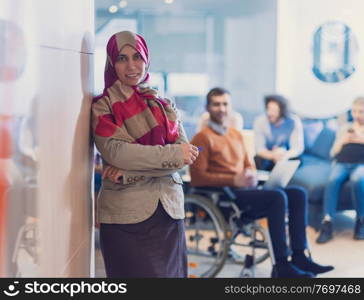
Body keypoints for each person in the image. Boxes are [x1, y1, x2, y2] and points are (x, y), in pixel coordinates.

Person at [190, 87, 333, 278]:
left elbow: (249, 164)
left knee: (298, 193)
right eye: (216, 104)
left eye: (225, 104)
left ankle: (299, 257)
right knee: (277, 197)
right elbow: (197, 177)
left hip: (247, 189)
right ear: (208, 107)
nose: (222, 108)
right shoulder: (202, 138)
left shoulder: (235, 135)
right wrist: (233, 179)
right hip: (226, 197)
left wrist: (251, 174)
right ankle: (281, 266)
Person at [91, 31, 199, 278]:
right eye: (121, 58)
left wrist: (129, 172)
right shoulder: (102, 105)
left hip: (169, 211)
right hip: (126, 215)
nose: (131, 66)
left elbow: (184, 155)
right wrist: (170, 155)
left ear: (147, 59)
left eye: (137, 56)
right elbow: (118, 153)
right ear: (111, 63)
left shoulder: (163, 104)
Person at [316, 97, 364, 243]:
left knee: (358, 180)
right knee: (332, 181)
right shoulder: (345, 128)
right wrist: (343, 140)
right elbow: (333, 152)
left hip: (361, 164)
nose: (357, 115)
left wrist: (359, 138)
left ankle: (360, 221)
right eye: (354, 111)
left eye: (361, 112)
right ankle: (327, 222)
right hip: (341, 163)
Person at [253, 95, 304, 171]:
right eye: (268, 109)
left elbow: (297, 147)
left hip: (285, 155)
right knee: (257, 159)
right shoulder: (260, 121)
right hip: (268, 155)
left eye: (274, 110)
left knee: (297, 160)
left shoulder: (294, 122)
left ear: (282, 111)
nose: (269, 113)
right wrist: (273, 155)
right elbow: (259, 149)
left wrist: (284, 155)